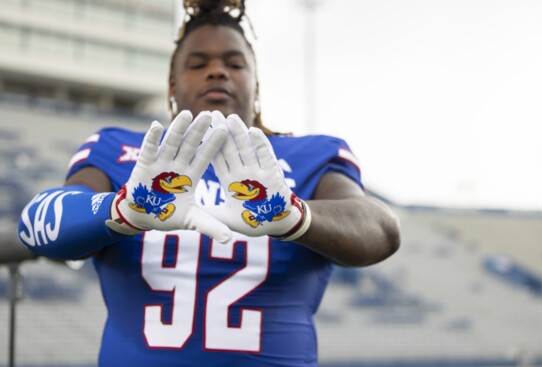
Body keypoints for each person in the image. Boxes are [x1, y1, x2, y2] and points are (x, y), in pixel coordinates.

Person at [17, 1, 400, 366]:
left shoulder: (312, 155)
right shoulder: (119, 150)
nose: (217, 72)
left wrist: (294, 217)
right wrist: (121, 210)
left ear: (256, 83)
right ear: (171, 84)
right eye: (198, 64)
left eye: (234, 63)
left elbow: (380, 230)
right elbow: (38, 226)